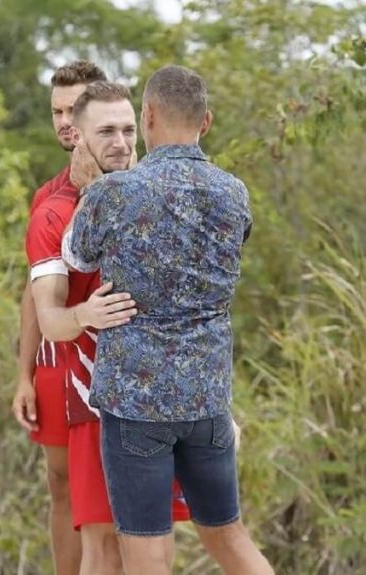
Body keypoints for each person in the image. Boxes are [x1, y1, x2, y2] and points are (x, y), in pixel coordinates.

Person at [63, 65, 273, 575]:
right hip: (207, 398)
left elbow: (77, 256)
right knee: (229, 536)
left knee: (147, 552)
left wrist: (91, 191)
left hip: (135, 403)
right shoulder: (233, 192)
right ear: (206, 121)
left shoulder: (115, 192)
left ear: (148, 116)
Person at [30, 81, 190, 575]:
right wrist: (84, 315)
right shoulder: (52, 213)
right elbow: (49, 320)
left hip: (164, 399)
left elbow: (195, 308)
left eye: (127, 130)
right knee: (103, 546)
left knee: (154, 547)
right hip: (96, 399)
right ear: (77, 137)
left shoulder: (161, 196)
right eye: (105, 132)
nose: (120, 143)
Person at [9, 59, 106, 575]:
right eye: (57, 112)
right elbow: (35, 294)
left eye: (74, 109)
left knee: (110, 501)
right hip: (53, 360)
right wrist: (23, 374)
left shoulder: (131, 185)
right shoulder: (47, 198)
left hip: (108, 366)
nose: (65, 121)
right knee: (61, 484)